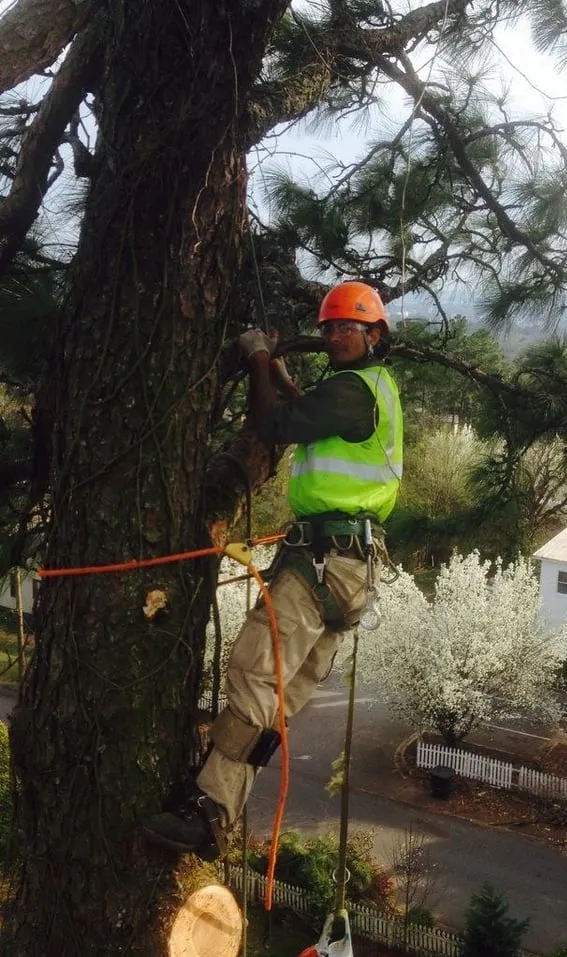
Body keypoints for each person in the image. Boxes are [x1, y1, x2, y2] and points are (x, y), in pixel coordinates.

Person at [142, 281, 403, 858]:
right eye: (331, 327)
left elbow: (270, 423)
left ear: (375, 335)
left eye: (349, 327)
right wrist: (283, 380)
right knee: (276, 702)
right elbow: (298, 411)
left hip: (322, 562)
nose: (336, 335)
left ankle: (210, 809)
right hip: (350, 570)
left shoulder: (356, 391)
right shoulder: (367, 392)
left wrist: (258, 355)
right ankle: (222, 806)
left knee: (255, 674)